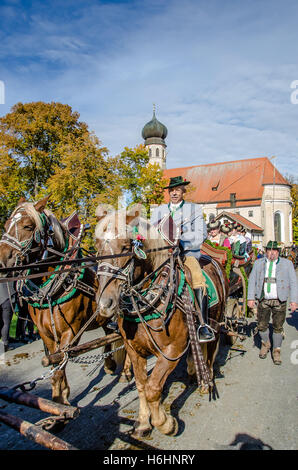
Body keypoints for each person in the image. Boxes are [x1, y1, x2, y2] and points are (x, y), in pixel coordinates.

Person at [150, 175, 213, 341]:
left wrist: (181, 237)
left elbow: (202, 234)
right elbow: (151, 233)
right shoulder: (158, 211)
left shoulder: (194, 209)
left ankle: (203, 325)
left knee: (197, 277)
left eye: (177, 190)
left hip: (186, 254)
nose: (174, 193)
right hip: (161, 255)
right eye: (171, 190)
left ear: (183, 191)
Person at [247, 240, 298, 365]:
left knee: (278, 327)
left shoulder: (287, 264)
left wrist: (294, 301)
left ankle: (276, 350)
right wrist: (250, 298)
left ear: (278, 252)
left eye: (274, 251)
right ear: (265, 252)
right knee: (262, 325)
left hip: (280, 300)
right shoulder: (259, 263)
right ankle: (265, 344)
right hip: (264, 299)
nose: (271, 253)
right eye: (269, 250)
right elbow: (252, 280)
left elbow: (293, 283)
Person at [0, 280, 16, 352]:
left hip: (2, 298)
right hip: (7, 298)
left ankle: (5, 339)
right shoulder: (9, 273)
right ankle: (5, 344)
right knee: (6, 323)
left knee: (3, 322)